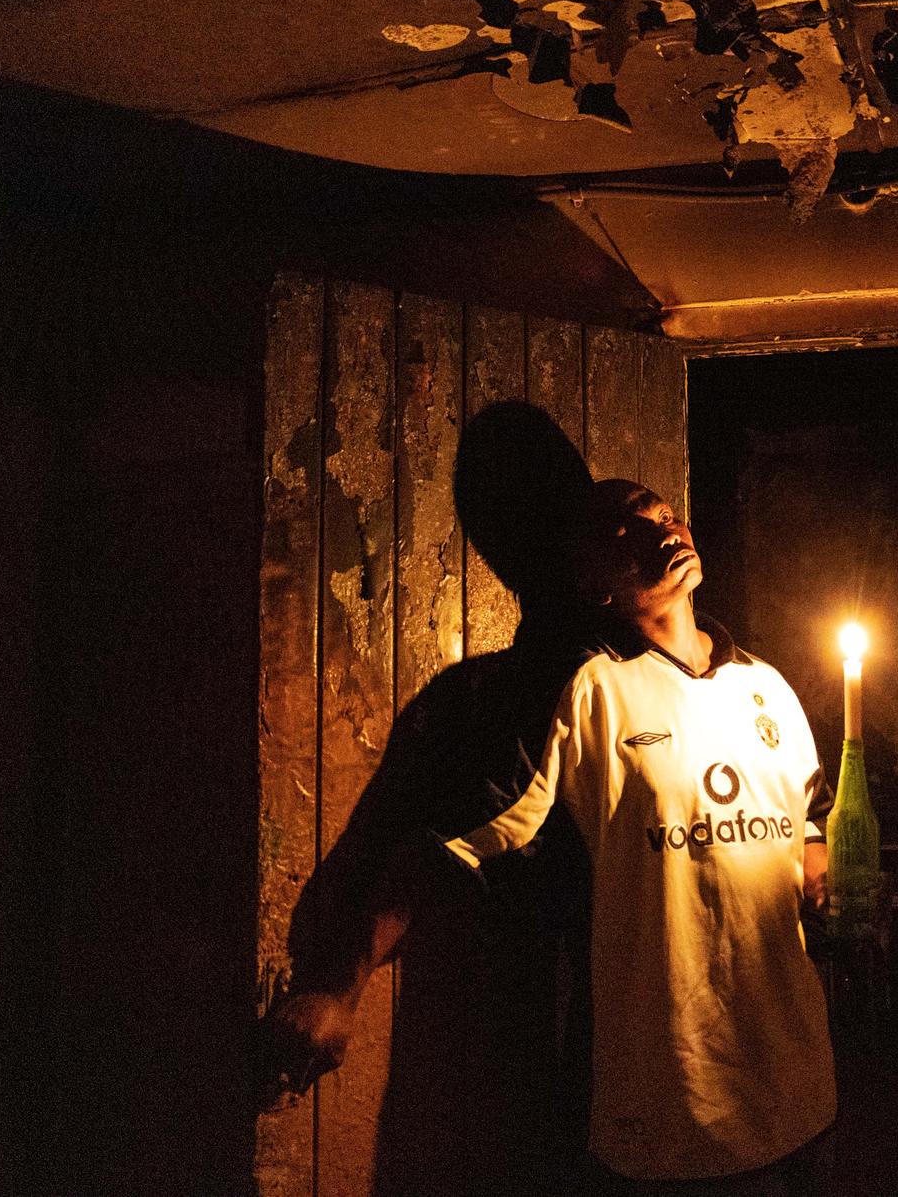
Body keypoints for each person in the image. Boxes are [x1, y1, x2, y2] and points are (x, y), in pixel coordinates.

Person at [264, 478, 838, 1195]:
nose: (661, 526)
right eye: (624, 527)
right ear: (593, 584)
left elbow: (809, 821)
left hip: (802, 1096)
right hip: (672, 1117)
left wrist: (823, 870)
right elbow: (445, 852)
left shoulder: (768, 688)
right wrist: (335, 988)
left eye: (665, 512)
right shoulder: (582, 691)